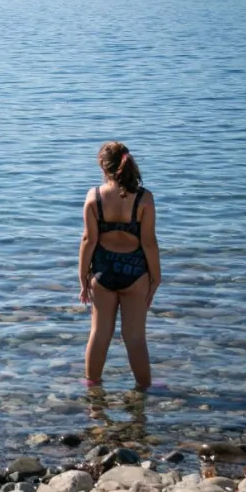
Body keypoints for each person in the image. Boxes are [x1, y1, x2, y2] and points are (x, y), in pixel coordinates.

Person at [78, 142, 162, 390]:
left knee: (99, 334)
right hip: (135, 272)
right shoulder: (144, 199)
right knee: (135, 338)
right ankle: (144, 389)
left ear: (103, 167)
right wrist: (156, 278)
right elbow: (148, 242)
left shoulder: (94, 197)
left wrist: (83, 277)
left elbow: (88, 240)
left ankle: (92, 387)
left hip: (103, 270)